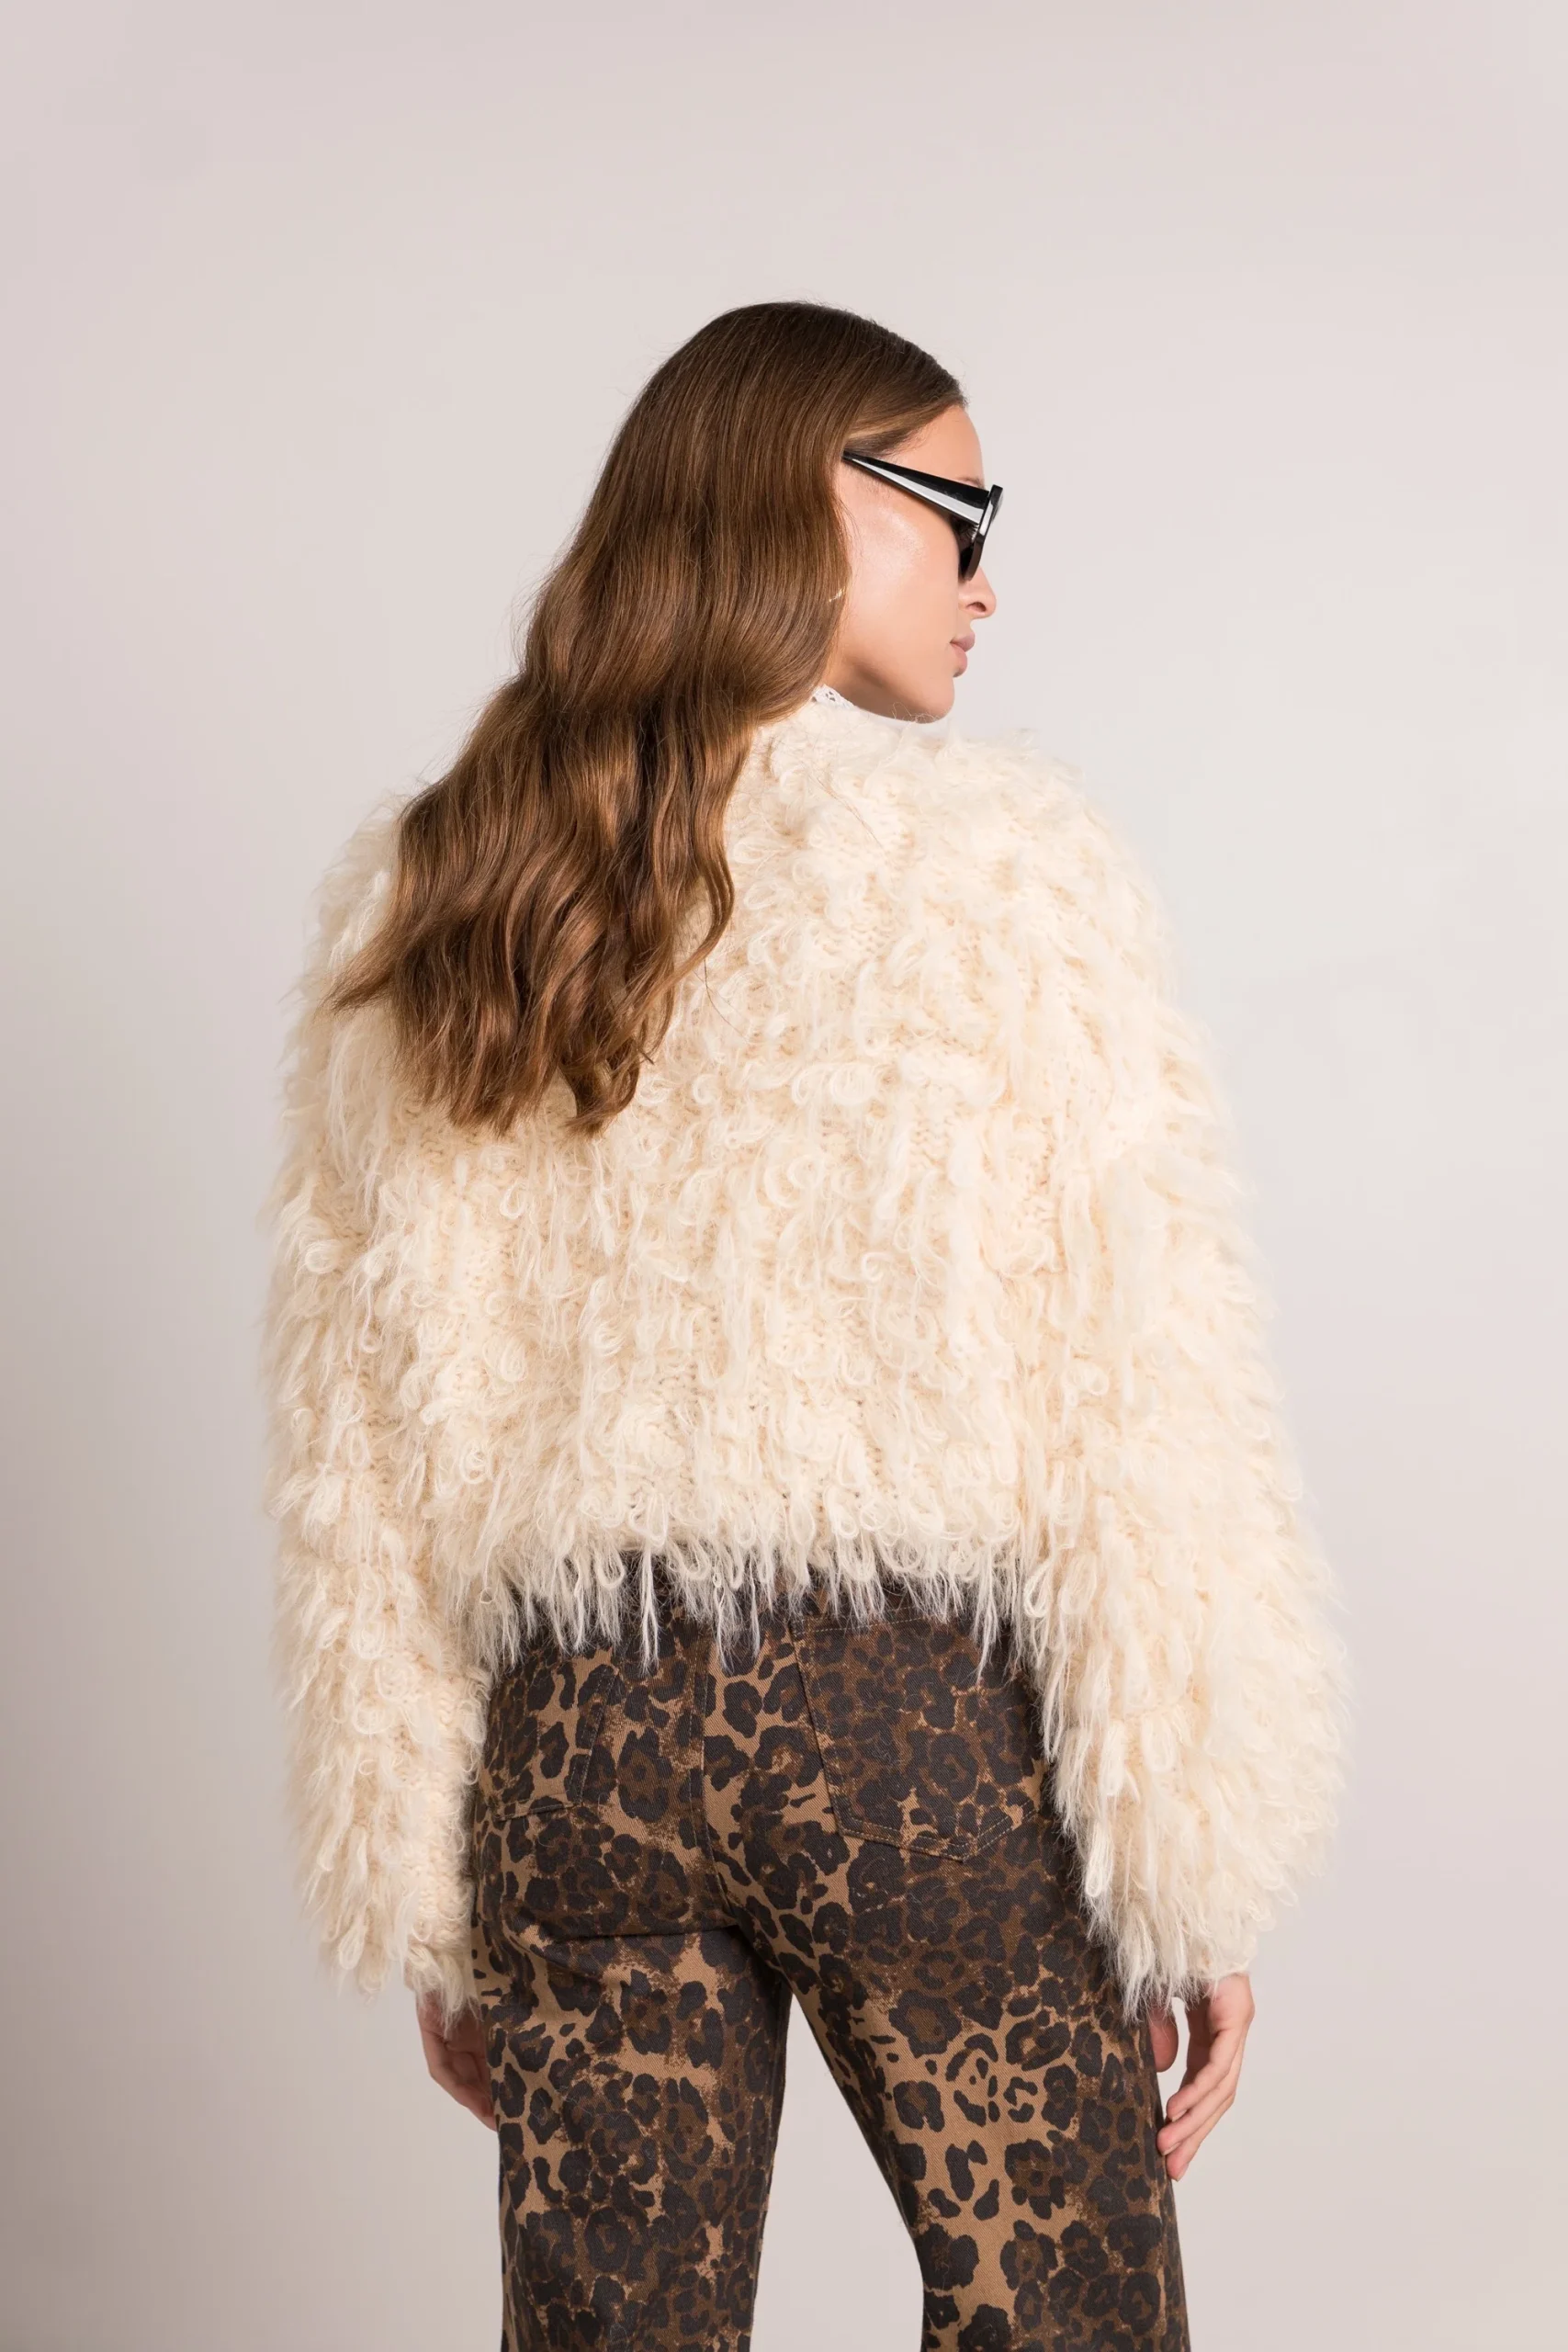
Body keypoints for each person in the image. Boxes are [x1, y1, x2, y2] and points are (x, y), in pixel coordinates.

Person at [262, 300, 1344, 2350]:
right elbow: (1139, 1387)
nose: (988, 579)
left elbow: (362, 1435)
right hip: (905, 1736)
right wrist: (1188, 1857)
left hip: (573, 1755)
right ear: (817, 504)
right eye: (960, 515)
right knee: (1066, 2318)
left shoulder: (451, 883)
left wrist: (424, 1873)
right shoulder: (1009, 870)